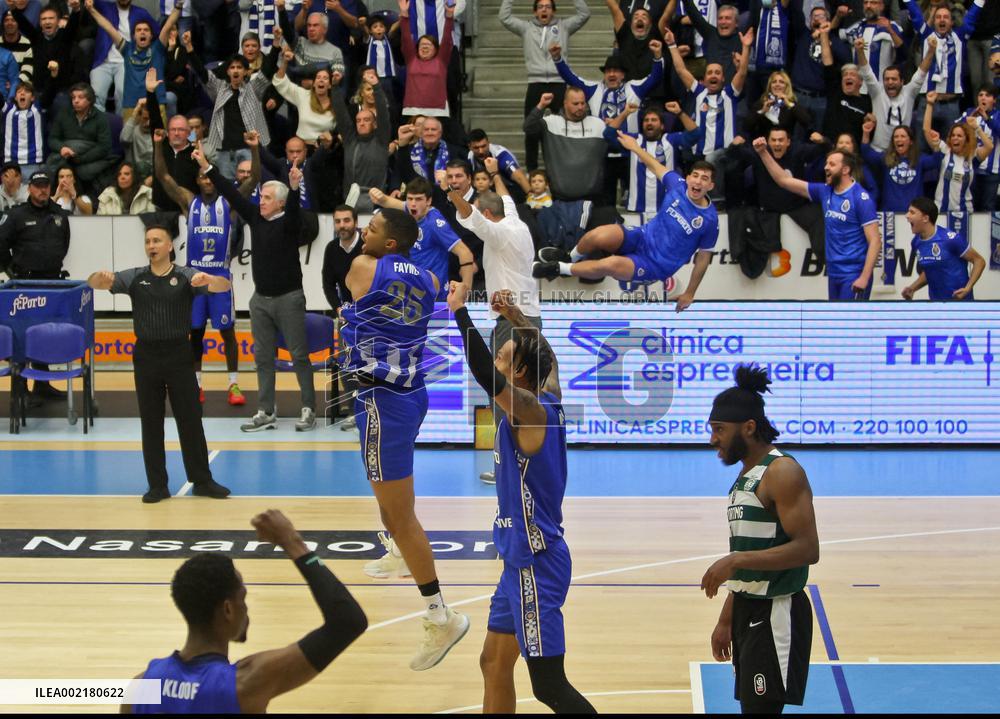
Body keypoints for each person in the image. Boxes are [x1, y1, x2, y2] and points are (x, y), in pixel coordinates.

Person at [448, 286, 595, 714]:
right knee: (493, 662)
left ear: (522, 375)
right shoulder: (549, 392)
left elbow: (484, 374)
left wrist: (460, 314)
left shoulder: (528, 410)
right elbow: (548, 355)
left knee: (549, 686)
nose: (497, 360)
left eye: (504, 357)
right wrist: (515, 316)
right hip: (518, 559)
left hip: (537, 561)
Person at [340, 206, 470, 670]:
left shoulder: (362, 266)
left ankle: (440, 614)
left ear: (390, 243)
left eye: (371, 229)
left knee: (402, 514)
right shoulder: (431, 278)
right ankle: (396, 547)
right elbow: (436, 287)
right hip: (413, 393)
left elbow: (350, 287)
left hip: (382, 400)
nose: (362, 232)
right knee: (390, 497)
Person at [124, 509, 367, 712]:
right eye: (244, 598)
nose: (247, 610)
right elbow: (348, 621)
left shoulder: (141, 687)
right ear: (228, 609)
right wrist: (293, 543)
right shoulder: (244, 683)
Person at [87, 223, 232, 503]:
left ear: (169, 247)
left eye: (157, 241)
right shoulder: (135, 277)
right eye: (147, 241)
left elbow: (223, 285)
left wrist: (209, 280)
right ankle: (157, 485)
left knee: (190, 419)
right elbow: (94, 283)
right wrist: (99, 275)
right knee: (151, 422)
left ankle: (202, 481)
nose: (151, 246)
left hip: (179, 354)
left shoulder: (186, 275)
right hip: (146, 357)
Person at [703, 364, 819, 715]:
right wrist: (727, 617)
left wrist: (734, 562)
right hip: (749, 611)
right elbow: (751, 552)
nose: (713, 439)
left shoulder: (781, 472)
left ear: (749, 428)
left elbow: (807, 549)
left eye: (719, 430)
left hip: (777, 612)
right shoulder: (745, 477)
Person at [194, 142, 317, 433]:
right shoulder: (254, 219)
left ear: (280, 203)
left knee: (299, 355)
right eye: (261, 196)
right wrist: (206, 166)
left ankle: (309, 408)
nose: (260, 201)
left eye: (266, 197)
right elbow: (231, 193)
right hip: (260, 300)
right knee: (262, 358)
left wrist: (296, 186)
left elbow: (297, 215)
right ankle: (266, 410)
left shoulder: (289, 222)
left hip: (289, 299)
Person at [533, 133, 718, 311]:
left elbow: (703, 259)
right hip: (642, 237)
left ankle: (558, 268)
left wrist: (689, 293)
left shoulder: (709, 221)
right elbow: (654, 165)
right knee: (598, 235)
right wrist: (634, 147)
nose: (698, 182)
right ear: (688, 178)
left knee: (609, 264)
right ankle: (569, 258)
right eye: (695, 175)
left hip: (656, 265)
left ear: (710, 186)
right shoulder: (677, 184)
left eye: (705, 179)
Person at [154, 128, 261, 406]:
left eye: (209, 176)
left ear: (214, 177)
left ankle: (234, 385)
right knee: (196, 334)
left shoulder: (230, 203)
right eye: (201, 176)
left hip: (220, 277)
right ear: (198, 181)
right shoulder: (190, 202)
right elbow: (164, 177)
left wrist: (256, 150)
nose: (206, 181)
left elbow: (256, 179)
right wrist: (157, 146)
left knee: (228, 334)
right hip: (195, 278)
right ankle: (197, 385)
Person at [450, 157, 540, 485]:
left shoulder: (499, 233)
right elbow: (507, 199)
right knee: (529, 394)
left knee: (503, 393)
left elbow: (470, 216)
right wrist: (493, 173)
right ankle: (527, 463)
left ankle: (507, 467)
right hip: (532, 320)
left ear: (489, 215)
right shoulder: (516, 222)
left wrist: (452, 192)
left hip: (509, 320)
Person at [751, 136, 881, 300]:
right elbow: (784, 180)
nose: (826, 167)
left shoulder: (861, 198)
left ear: (845, 170)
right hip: (834, 272)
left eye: (832, 164)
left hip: (854, 273)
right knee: (836, 323)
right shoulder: (825, 191)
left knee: (849, 324)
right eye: (826, 163)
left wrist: (864, 277)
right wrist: (763, 152)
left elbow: (875, 241)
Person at [0, 168, 70, 399]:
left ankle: (42, 384)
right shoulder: (17, 215)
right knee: (21, 335)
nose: (42, 190)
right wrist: (11, 270)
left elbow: (65, 243)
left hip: (52, 283)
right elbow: (1, 243)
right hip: (24, 284)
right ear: (29, 188)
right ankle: (19, 388)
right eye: (38, 186)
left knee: (45, 334)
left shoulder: (60, 214)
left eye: (46, 186)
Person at [499, 0, 592, 170]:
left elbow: (584, 14)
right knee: (531, 129)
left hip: (559, 83)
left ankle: (566, 166)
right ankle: (532, 171)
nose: (544, 10)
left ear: (553, 11)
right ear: (535, 12)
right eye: (540, 7)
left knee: (565, 128)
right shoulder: (526, 28)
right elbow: (504, 17)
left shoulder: (563, 26)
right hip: (535, 83)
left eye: (548, 7)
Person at [368, 177, 477, 300]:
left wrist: (466, 291)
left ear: (428, 201)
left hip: (436, 293)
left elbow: (465, 253)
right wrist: (377, 195)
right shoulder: (411, 209)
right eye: (410, 199)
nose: (413, 203)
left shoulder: (434, 223)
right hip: (415, 289)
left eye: (418, 199)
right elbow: (386, 201)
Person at [321, 204, 362, 426]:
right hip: (346, 316)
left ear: (355, 222)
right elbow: (328, 284)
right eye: (338, 221)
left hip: (370, 315)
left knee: (371, 362)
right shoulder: (331, 248)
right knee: (348, 364)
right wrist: (339, 309)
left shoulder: (366, 245)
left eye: (346, 220)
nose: (342, 225)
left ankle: (372, 409)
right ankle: (355, 411)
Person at [902, 196, 986, 301]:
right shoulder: (916, 242)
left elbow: (979, 261)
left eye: (912, 212)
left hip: (960, 304)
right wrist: (912, 288)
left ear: (925, 218)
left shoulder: (950, 239)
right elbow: (931, 271)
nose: (907, 216)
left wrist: (967, 288)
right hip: (936, 304)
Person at [923, 92, 994, 213]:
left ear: (966, 139)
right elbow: (926, 130)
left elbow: (989, 146)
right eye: (953, 135)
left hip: (965, 211)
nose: (955, 138)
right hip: (941, 210)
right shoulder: (944, 150)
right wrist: (930, 104)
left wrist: (977, 128)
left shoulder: (973, 157)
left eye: (959, 136)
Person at [860, 122, 937, 213]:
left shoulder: (919, 160)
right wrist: (866, 133)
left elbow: (936, 160)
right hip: (889, 214)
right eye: (896, 137)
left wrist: (935, 143)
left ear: (911, 141)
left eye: (902, 136)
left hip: (914, 213)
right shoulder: (886, 158)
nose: (898, 139)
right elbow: (867, 153)